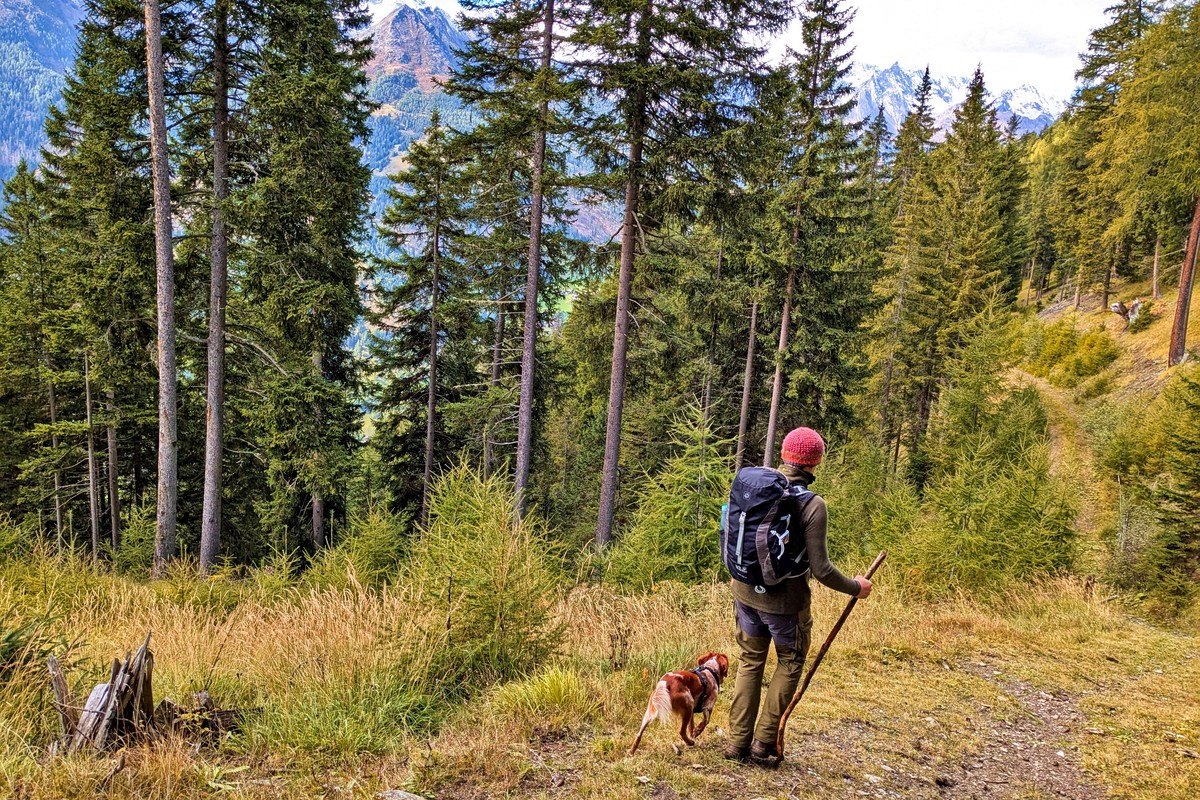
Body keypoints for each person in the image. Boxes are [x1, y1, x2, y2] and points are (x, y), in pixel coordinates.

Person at [723, 426, 872, 764]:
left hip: (744, 590)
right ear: (814, 463)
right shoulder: (812, 504)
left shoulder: (755, 488)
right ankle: (763, 745)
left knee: (750, 661)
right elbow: (821, 570)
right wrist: (856, 587)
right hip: (785, 603)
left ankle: (735, 744)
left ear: (785, 455)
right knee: (789, 662)